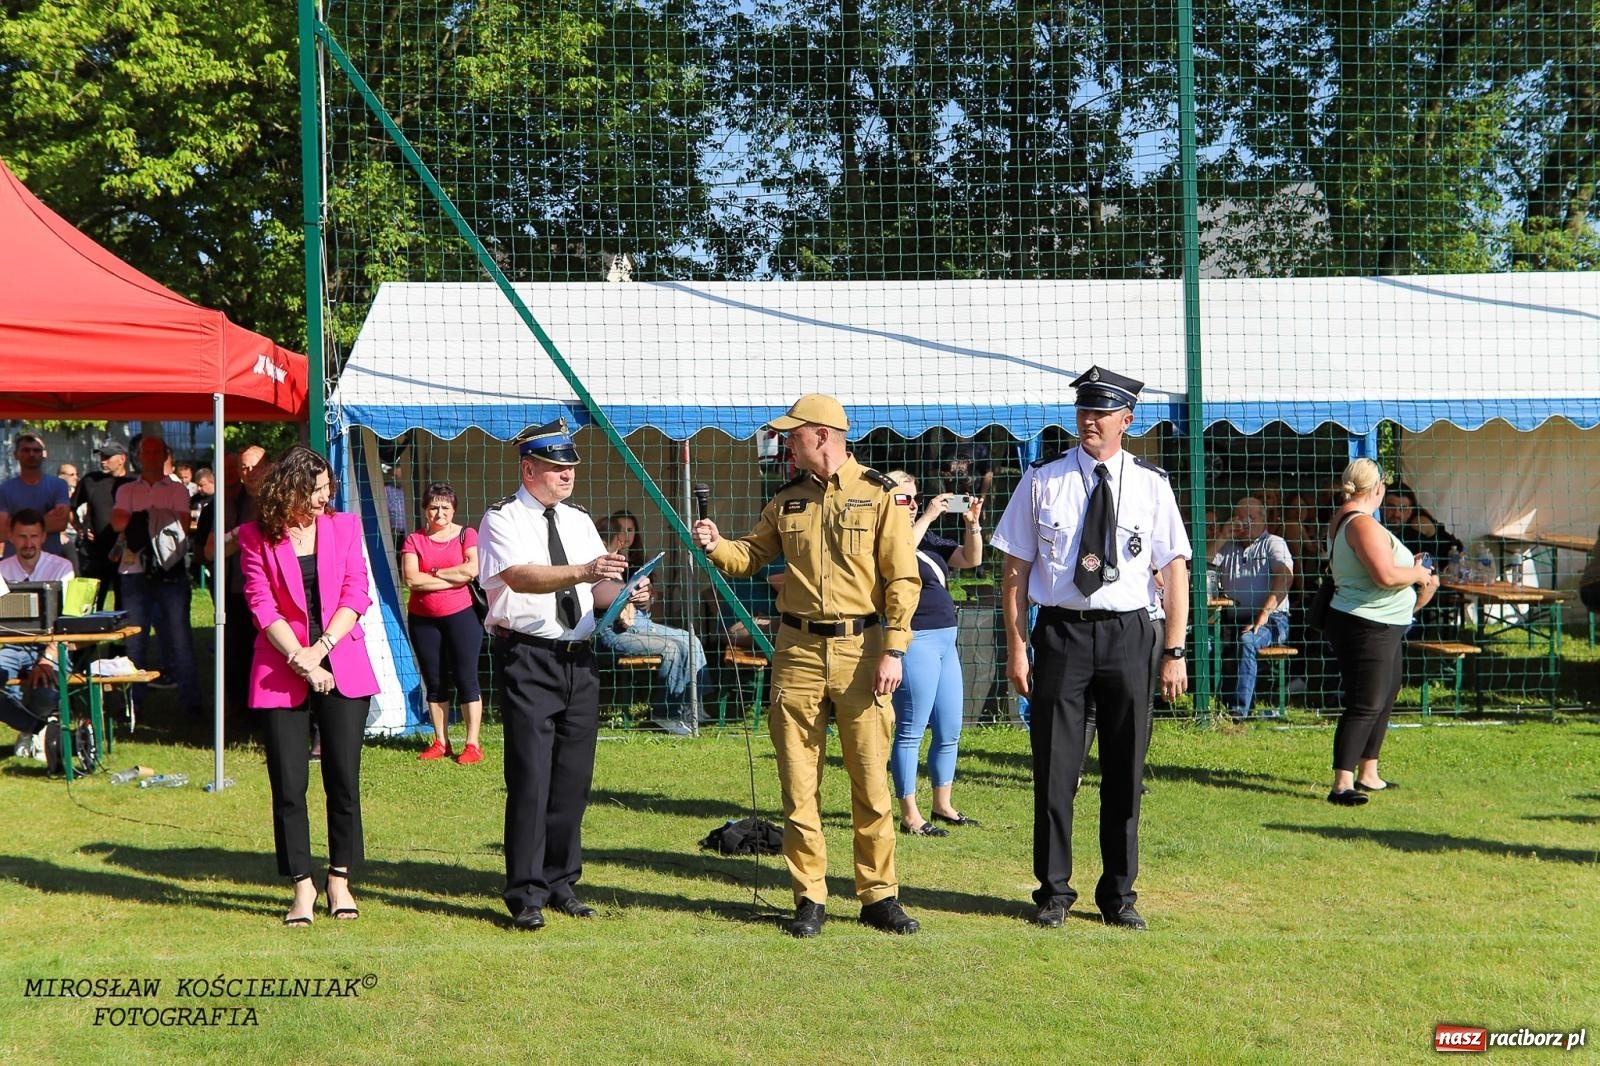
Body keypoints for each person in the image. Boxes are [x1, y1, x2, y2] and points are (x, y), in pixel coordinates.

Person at [692, 394, 923, 938]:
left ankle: (878, 896)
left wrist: (893, 649)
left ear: (821, 434)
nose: (786, 443)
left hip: (863, 651)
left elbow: (902, 579)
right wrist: (717, 544)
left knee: (870, 781)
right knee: (799, 783)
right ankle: (809, 897)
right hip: (795, 653)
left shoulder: (880, 496)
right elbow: (751, 555)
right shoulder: (787, 500)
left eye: (793, 435)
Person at [991, 365, 1191, 932]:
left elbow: (1174, 569)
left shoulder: (1152, 483)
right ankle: (1053, 890)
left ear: (1127, 420)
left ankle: (1119, 894)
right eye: (1084, 411)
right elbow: (1014, 569)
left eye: (1102, 413)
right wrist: (1017, 645)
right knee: (1055, 767)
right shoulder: (1042, 480)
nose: (1090, 421)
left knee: (1125, 769)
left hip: (1129, 634)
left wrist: (1174, 650)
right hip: (1061, 631)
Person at [478, 418, 643, 932]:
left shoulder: (577, 521)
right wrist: (585, 571)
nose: (567, 475)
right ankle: (525, 893)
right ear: (529, 469)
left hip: (578, 657)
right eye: (555, 467)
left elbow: (598, 590)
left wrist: (628, 593)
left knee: (573, 776)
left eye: (570, 466)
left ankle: (561, 881)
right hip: (528, 656)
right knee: (531, 776)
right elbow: (521, 576)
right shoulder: (501, 519)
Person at [238, 446, 380, 926]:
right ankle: (302, 886)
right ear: (292, 489)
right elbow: (261, 606)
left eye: (328, 489)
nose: (326, 497)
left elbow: (357, 592)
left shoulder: (344, 527)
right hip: (280, 670)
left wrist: (319, 651)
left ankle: (340, 878)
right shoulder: (254, 536)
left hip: (341, 661)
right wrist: (301, 661)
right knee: (289, 787)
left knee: (343, 781)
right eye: (317, 489)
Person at [1323, 459, 1439, 806]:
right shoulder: (1361, 523)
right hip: (1367, 624)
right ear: (1378, 489)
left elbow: (1381, 568)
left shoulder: (1351, 519)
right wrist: (1417, 574)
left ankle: (1369, 772)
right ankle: (1342, 784)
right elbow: (1385, 576)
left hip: (1382, 623)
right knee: (1366, 701)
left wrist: (1409, 568)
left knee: (1386, 694)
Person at [883, 471, 985, 837]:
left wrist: (971, 526)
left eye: (915, 499)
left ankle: (942, 804)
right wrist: (926, 515)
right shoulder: (885, 536)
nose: (911, 505)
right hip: (916, 642)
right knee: (910, 730)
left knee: (949, 729)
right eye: (903, 499)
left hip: (946, 642)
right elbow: (898, 558)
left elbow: (970, 560)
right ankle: (910, 813)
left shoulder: (926, 538)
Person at [596, 510, 708, 736]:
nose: (626, 536)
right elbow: (600, 599)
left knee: (691, 639)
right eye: (621, 531)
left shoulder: (635, 562)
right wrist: (627, 593)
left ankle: (693, 706)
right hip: (617, 629)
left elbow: (651, 600)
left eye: (631, 530)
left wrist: (646, 598)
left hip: (641, 622)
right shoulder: (598, 562)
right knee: (672, 648)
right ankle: (665, 713)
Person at [112, 436, 201, 714]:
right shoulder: (126, 489)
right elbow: (117, 523)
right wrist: (159, 519)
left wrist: (141, 519)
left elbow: (183, 525)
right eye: (145, 451)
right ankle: (133, 706)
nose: (149, 456)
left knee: (180, 638)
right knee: (134, 639)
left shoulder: (178, 490)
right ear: (138, 456)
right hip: (133, 572)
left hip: (169, 572)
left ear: (165, 455)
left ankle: (191, 704)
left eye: (155, 451)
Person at [400, 482, 486, 764]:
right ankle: (441, 741)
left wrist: (433, 572)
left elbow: (471, 570)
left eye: (445, 507)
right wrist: (451, 575)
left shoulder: (466, 534)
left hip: (463, 617)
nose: (439, 512)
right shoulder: (414, 540)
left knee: (467, 678)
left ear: (454, 509)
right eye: (433, 507)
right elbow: (411, 579)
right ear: (425, 510)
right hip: (423, 621)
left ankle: (472, 744)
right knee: (434, 680)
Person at [1209, 496, 1294, 716]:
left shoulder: (1273, 543)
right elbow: (1201, 567)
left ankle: (1239, 709)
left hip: (1272, 619)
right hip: (1230, 618)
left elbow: (1285, 578)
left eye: (1250, 517)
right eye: (1239, 516)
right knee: (1206, 643)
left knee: (1247, 640)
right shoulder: (1228, 546)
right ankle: (1213, 702)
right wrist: (1222, 537)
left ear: (1263, 521)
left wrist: (1263, 615)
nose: (1243, 522)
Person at [0, 510, 76, 747]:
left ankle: (36, 731)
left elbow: (69, 621)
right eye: (22, 536)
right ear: (11, 536)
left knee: (47, 686)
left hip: (50, 645)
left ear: (43, 536)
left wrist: (47, 657)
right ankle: (33, 728)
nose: (28, 543)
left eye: (33, 536)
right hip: (9, 646)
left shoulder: (62, 567)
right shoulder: (2, 569)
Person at [72, 440, 134, 610]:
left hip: (127, 555)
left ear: (122, 459)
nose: (102, 460)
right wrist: (80, 529)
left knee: (125, 607)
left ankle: (124, 636)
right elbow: (71, 508)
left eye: (107, 457)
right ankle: (88, 635)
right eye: (101, 456)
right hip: (94, 553)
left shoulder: (134, 482)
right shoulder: (91, 480)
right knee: (86, 607)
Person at [0, 433, 73, 559]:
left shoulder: (58, 485)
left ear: (44, 454)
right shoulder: (4, 489)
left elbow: (60, 523)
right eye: (26, 450)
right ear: (15, 455)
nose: (31, 454)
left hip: (50, 563)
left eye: (36, 450)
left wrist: (15, 523)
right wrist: (46, 518)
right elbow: (2, 532)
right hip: (13, 564)